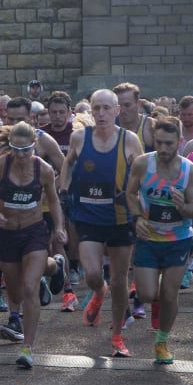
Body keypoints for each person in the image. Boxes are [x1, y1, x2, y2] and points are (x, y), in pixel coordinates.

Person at [0, 121, 66, 368]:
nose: (21, 155)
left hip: (34, 233)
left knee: (28, 288)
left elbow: (54, 202)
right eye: (16, 149)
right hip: (6, 234)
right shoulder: (0, 165)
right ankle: (54, 266)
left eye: (26, 150)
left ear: (34, 146)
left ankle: (28, 347)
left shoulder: (43, 170)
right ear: (10, 147)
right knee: (13, 292)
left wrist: (59, 228)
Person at [63, 89, 144, 357]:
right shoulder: (79, 137)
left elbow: (143, 172)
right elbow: (67, 164)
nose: (101, 113)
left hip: (120, 218)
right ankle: (99, 292)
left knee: (121, 280)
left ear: (117, 110)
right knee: (93, 275)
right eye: (96, 108)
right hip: (88, 217)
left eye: (106, 108)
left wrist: (139, 199)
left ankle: (118, 336)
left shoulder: (129, 140)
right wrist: (64, 185)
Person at [127, 118, 193, 366]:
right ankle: (159, 304)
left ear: (179, 141)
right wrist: (137, 217)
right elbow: (130, 193)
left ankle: (162, 341)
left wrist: (184, 206)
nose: (163, 148)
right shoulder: (142, 164)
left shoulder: (189, 170)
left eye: (169, 143)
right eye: (159, 142)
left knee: (169, 293)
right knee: (148, 294)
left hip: (178, 239)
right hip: (148, 238)